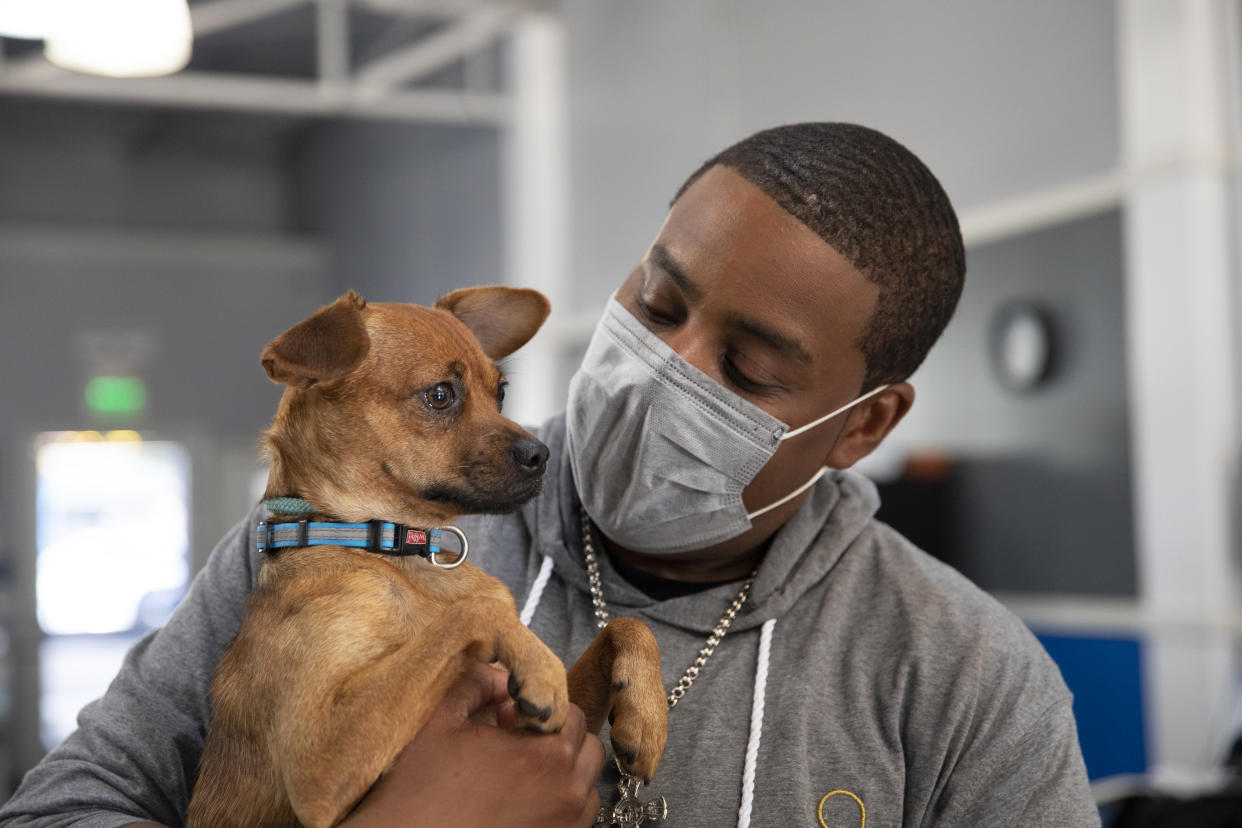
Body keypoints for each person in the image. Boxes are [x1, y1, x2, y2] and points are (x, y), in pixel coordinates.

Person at [0, 123, 1100, 827]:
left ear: (864, 427)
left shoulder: (966, 683)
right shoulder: (327, 533)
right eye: (657, 304)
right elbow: (65, 808)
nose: (666, 369)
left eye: (750, 368)